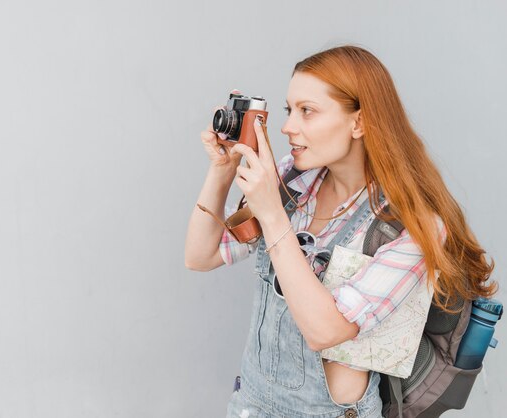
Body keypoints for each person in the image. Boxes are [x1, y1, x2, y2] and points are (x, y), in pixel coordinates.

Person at [184, 45, 496, 418]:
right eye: (288, 110)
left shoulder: (412, 228)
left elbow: (325, 332)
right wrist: (222, 171)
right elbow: (200, 256)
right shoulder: (294, 181)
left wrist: (272, 216)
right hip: (250, 404)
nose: (287, 127)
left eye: (307, 111)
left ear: (359, 123)